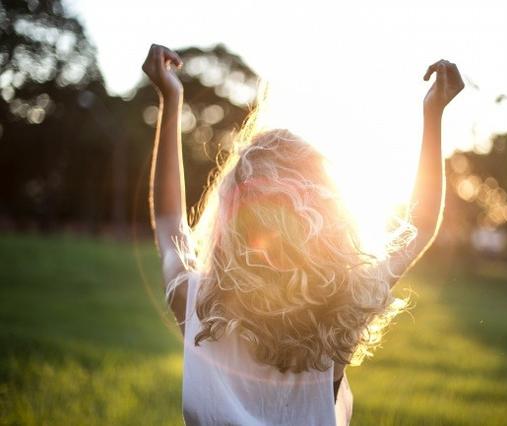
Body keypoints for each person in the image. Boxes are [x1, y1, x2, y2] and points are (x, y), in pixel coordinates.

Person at [142, 43, 464, 426]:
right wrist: (434, 114)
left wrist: (171, 98)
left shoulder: (195, 301)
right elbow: (421, 223)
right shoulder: (342, 307)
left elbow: (169, 221)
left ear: (229, 220)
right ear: (325, 220)